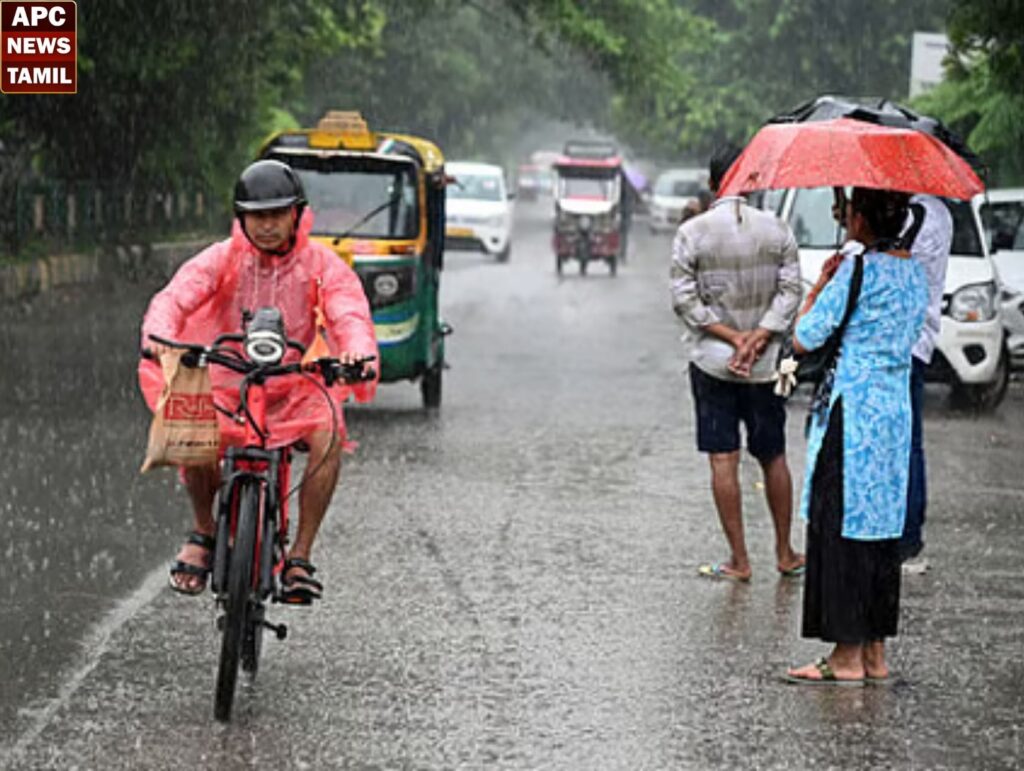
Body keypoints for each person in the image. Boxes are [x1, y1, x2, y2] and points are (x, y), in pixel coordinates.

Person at [139, 159, 378, 603]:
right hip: (228, 384)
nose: (267, 226)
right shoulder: (223, 258)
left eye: (277, 214)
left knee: (328, 437)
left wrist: (357, 352)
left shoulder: (321, 264)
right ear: (241, 217)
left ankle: (301, 556)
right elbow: (176, 296)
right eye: (257, 216)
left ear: (297, 214)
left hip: (294, 387)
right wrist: (159, 337)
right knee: (196, 430)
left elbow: (348, 312)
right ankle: (205, 531)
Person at [786, 188, 928, 685]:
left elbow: (806, 336)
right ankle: (874, 653)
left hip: (853, 411)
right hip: (894, 412)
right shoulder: (915, 274)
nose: (844, 216)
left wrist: (820, 287)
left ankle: (844, 655)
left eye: (849, 210)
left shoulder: (855, 270)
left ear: (863, 217)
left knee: (840, 523)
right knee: (881, 529)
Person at [670, 144, 805, 582]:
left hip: (712, 363)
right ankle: (785, 553)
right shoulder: (778, 229)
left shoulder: (692, 233)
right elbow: (790, 293)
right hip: (765, 366)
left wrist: (731, 338)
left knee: (722, 460)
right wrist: (759, 336)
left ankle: (740, 561)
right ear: (749, 179)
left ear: (712, 184)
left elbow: (684, 300)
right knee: (773, 456)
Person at [900, 194, 953, 574]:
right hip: (919, 340)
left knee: (901, 445)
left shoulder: (914, 214)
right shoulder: (942, 212)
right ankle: (908, 537)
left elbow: (898, 267)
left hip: (901, 341)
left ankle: (904, 538)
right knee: (910, 442)